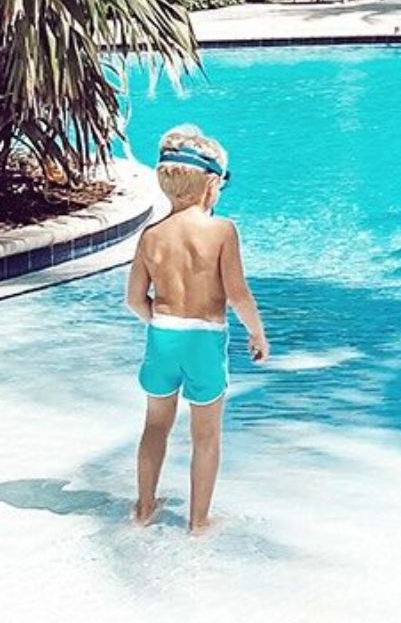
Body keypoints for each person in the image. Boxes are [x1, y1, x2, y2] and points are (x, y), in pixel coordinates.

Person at [125, 125, 269, 533]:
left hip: (163, 336)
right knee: (205, 436)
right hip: (205, 341)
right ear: (209, 184)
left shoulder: (150, 236)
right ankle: (198, 522)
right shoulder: (222, 231)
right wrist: (258, 334)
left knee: (155, 426)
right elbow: (238, 294)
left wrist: (162, 321)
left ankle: (144, 509)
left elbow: (134, 300)